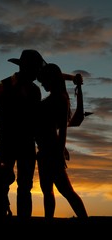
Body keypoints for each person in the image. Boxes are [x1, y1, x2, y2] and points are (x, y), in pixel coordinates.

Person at [0, 49, 47, 219]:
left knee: (25, 187)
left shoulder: (36, 91)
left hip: (28, 145)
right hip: (7, 144)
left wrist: (41, 144)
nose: (37, 73)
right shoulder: (1, 86)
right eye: (35, 69)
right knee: (1, 185)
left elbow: (36, 121)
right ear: (25, 68)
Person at [36, 63, 88, 219]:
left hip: (51, 151)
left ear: (50, 79)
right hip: (44, 151)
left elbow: (63, 130)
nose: (42, 84)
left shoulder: (59, 99)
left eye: (44, 81)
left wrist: (59, 152)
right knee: (48, 191)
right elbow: (58, 77)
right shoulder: (57, 97)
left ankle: (84, 219)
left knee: (65, 191)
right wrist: (72, 78)